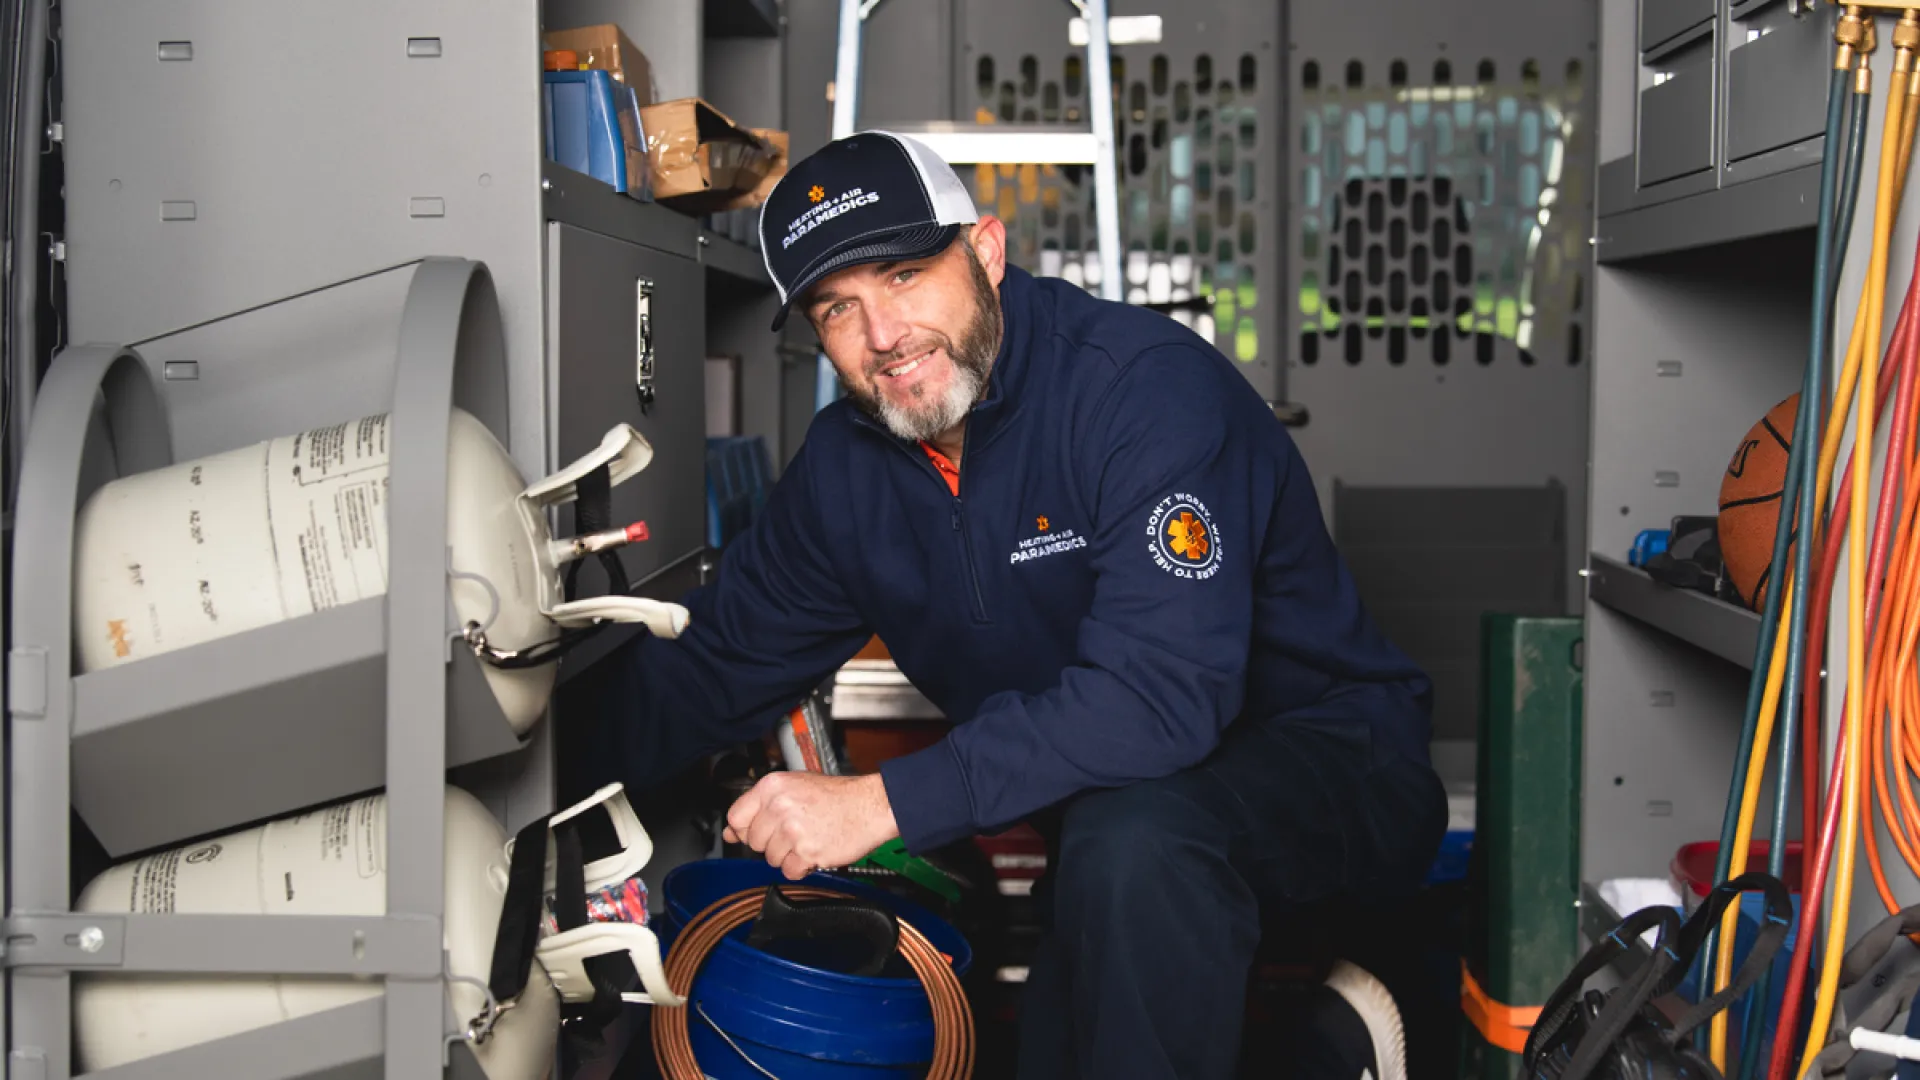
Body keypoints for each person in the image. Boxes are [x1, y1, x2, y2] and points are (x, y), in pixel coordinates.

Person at [583, 131, 1449, 1078]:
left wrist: (881, 801)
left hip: (1335, 771)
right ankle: (1327, 1045)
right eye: (839, 307)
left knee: (1135, 842)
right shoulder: (848, 469)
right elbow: (712, 667)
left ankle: (1337, 1021)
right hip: (1115, 834)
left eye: (907, 275)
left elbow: (1159, 698)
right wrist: (514, 772)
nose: (883, 336)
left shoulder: (1141, 392)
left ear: (986, 252)